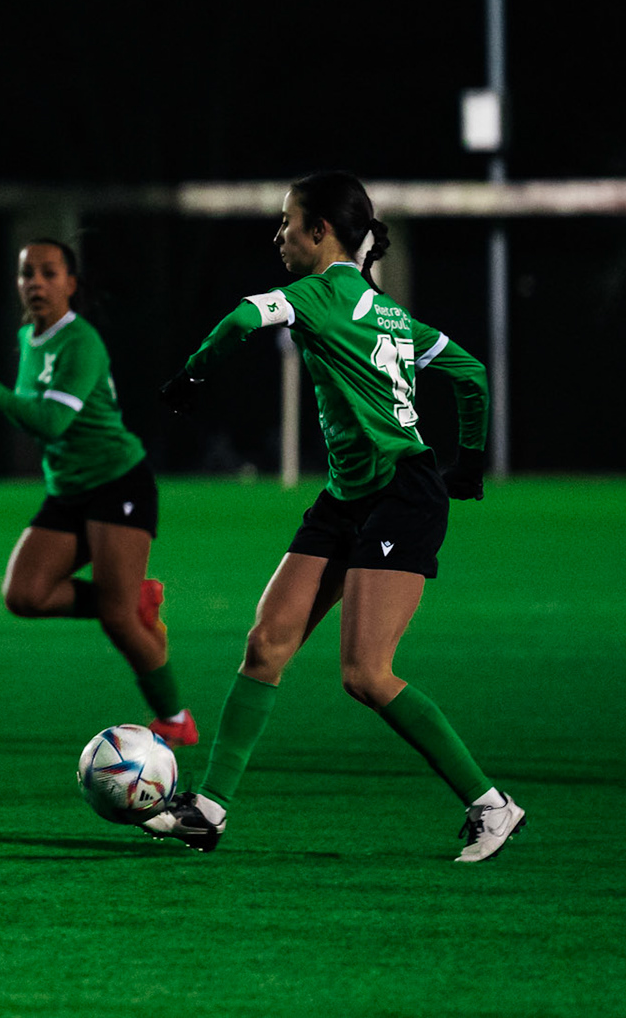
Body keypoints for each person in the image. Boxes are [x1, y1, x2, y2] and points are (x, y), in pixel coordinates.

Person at [146, 171, 523, 862]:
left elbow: (239, 320)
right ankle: (207, 809)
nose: (278, 235)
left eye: (286, 222)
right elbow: (469, 372)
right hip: (349, 496)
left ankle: (491, 806)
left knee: (366, 675)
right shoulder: (386, 311)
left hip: (400, 497)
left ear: (320, 233)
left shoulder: (318, 293)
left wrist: (191, 375)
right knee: (267, 643)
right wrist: (468, 462)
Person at [0, 238, 196, 746]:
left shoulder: (82, 342)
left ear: (71, 285)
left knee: (119, 621)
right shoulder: (30, 338)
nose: (35, 281)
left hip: (117, 482)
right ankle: (131, 595)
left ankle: (175, 719)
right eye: (26, 272)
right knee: (24, 595)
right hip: (70, 490)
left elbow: (54, 422)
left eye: (48, 272)